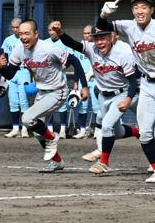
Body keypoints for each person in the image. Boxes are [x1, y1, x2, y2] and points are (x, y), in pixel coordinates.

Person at [96, 0, 155, 183]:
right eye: (136, 7)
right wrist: (104, 15)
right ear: (132, 11)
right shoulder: (129, 27)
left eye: (144, 7)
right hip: (146, 85)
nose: (140, 10)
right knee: (146, 134)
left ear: (151, 10)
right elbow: (102, 27)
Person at [0, 19, 88, 173]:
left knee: (27, 118)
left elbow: (75, 61)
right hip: (42, 92)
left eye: (27, 33)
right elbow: (10, 74)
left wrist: (84, 86)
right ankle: (57, 161)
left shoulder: (49, 49)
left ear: (36, 34)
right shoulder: (19, 49)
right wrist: (1, 67)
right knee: (38, 131)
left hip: (58, 91)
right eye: (21, 33)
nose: (23, 36)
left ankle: (52, 138)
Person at [51, 22, 141, 174]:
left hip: (122, 93)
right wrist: (60, 33)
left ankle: (103, 162)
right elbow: (72, 43)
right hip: (103, 95)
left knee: (106, 126)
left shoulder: (123, 52)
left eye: (103, 37)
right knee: (116, 132)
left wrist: (128, 98)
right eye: (96, 38)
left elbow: (133, 80)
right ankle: (137, 132)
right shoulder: (92, 49)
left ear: (111, 37)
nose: (99, 42)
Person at [1, 18, 31, 139]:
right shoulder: (8, 40)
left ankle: (24, 128)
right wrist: (3, 74)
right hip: (11, 72)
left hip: (24, 71)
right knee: (13, 101)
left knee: (24, 102)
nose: (15, 29)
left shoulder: (26, 40)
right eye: (13, 27)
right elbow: (4, 57)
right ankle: (15, 128)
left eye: (17, 27)